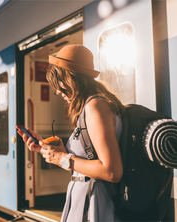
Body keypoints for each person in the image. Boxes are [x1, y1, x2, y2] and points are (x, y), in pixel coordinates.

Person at [17, 44, 124, 222]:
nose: (57, 91)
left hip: (95, 205)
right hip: (86, 200)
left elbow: (112, 171)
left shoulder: (95, 106)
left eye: (58, 83)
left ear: (72, 78)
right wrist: (53, 151)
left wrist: (62, 158)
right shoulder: (92, 106)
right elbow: (86, 162)